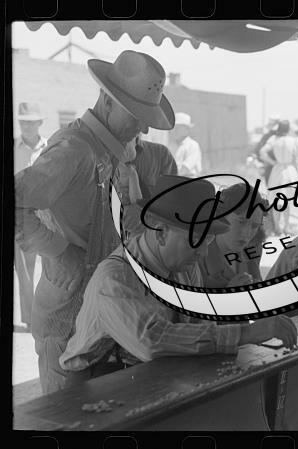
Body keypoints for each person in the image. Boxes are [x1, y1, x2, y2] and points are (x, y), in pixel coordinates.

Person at [15, 50, 177, 394]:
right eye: (137, 116)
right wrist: (60, 251)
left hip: (98, 321)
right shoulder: (74, 149)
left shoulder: (108, 151)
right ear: (106, 101)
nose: (144, 127)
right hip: (66, 321)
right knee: (65, 416)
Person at [61, 175, 297, 385]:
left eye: (208, 242)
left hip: (149, 374)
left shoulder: (186, 268)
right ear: (161, 232)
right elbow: (151, 341)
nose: (203, 253)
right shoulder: (115, 277)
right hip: (96, 383)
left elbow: (198, 325)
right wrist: (245, 334)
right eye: (196, 241)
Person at [14, 102, 48, 331]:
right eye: (22, 122)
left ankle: (40, 317)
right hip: (17, 212)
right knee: (23, 269)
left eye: (30, 122)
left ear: (40, 123)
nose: (26, 126)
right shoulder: (12, 146)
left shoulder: (48, 148)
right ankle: (29, 318)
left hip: (40, 214)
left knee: (42, 267)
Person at [201, 183, 268, 287]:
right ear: (220, 216)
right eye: (241, 222)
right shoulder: (197, 253)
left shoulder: (253, 248)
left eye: (255, 226)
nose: (247, 233)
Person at [259, 120, 298, 235]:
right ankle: (286, 227)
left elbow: (262, 152)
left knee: (276, 200)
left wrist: (272, 162)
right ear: (288, 129)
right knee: (286, 200)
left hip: (277, 169)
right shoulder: (294, 140)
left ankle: (278, 227)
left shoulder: (273, 139)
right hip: (289, 169)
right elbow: (296, 159)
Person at [170, 112, 202, 177]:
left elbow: (184, 170)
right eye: (174, 128)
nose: (174, 131)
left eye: (177, 128)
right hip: (176, 179)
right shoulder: (171, 145)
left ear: (186, 129)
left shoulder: (193, 145)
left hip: (190, 180)